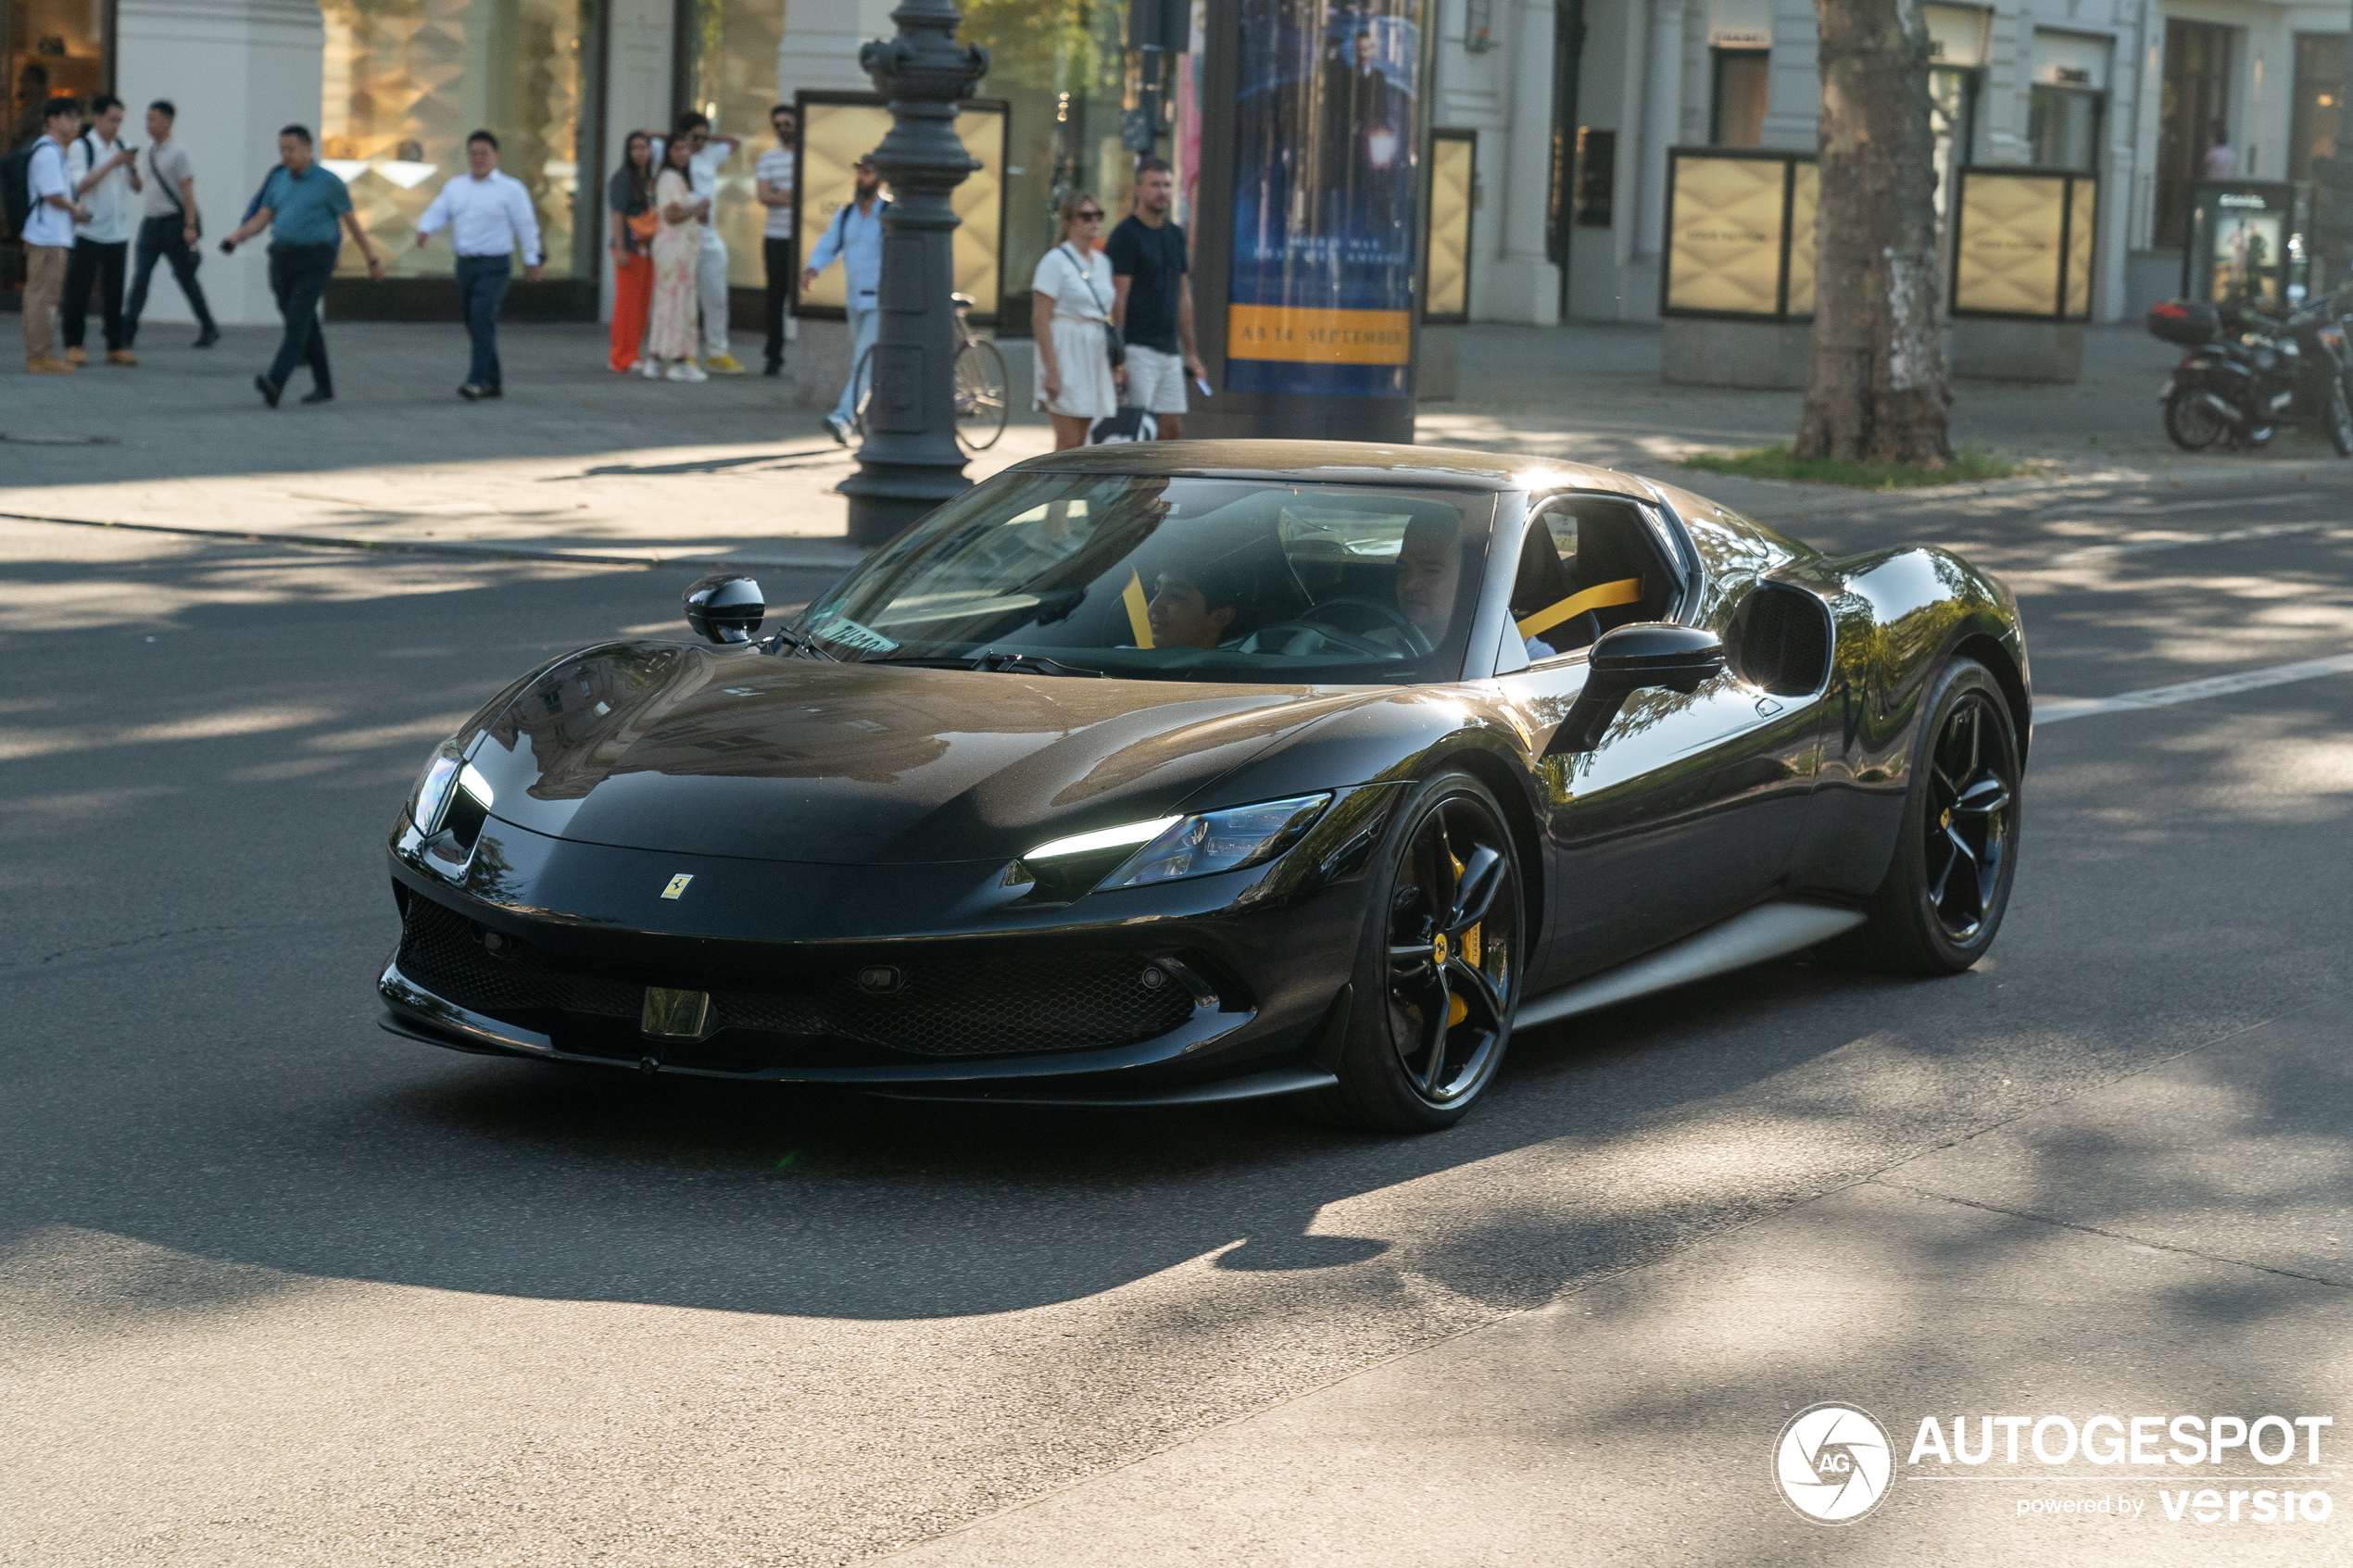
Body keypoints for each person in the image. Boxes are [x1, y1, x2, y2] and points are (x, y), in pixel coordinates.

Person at [219, 123, 384, 408]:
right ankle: (324, 385)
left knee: (297, 322)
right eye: (283, 149)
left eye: (292, 149)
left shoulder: (329, 182)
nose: (286, 155)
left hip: (315, 258)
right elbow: (263, 216)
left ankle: (275, 382)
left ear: (309, 149)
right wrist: (238, 236)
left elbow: (353, 224)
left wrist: (372, 259)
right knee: (303, 320)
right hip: (282, 258)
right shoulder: (279, 179)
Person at [413, 129, 544, 401]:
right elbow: (439, 210)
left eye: (484, 153)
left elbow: (526, 226)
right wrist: (425, 229)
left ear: (496, 157)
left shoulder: (511, 189)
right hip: (465, 265)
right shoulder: (456, 187)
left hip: (494, 265)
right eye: (474, 153)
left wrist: (532, 259)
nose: (479, 158)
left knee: (482, 317)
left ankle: (476, 380)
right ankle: (493, 381)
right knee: (475, 323)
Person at [1108, 157, 1205, 439]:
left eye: (1166, 185)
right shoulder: (1125, 235)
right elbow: (1119, 299)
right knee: (1135, 430)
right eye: (1154, 185)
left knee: (1171, 430)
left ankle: (1160, 484)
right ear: (1138, 189)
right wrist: (1119, 359)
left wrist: (1190, 352)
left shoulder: (1175, 235)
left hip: (1169, 352)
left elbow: (1183, 296)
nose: (1162, 191)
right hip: (1137, 349)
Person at [643, 112, 747, 374]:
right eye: (693, 138)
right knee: (679, 298)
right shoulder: (669, 166)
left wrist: (707, 137)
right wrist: (678, 139)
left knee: (716, 297)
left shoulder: (710, 154)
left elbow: (735, 142)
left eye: (703, 137)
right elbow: (643, 134)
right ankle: (680, 354)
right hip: (679, 238)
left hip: (706, 237)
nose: (698, 144)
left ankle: (717, 350)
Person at [801, 156, 889, 444]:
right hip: (855, 300)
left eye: (867, 173)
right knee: (869, 361)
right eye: (859, 172)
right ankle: (878, 416)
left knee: (862, 360)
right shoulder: (847, 213)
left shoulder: (889, 212)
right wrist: (813, 268)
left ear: (879, 179)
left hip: (881, 302)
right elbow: (829, 243)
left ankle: (843, 417)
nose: (861, 178)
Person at [1027, 189, 1118, 450]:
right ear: (1067, 222)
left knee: (1082, 441)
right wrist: (1052, 370)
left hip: (1094, 350)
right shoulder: (1054, 261)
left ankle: (1071, 491)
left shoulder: (1102, 262)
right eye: (1085, 216)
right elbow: (1040, 318)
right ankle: (1055, 491)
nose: (1094, 221)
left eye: (1098, 215)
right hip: (1065, 350)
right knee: (1067, 440)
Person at [124, 99, 218, 351]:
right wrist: (131, 170)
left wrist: (189, 225)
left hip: (173, 224)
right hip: (151, 223)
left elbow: (188, 192)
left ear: (168, 121)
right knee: (140, 277)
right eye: (147, 118)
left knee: (186, 277)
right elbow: (140, 188)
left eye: (153, 118)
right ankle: (127, 330)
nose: (148, 124)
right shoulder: (149, 151)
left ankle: (208, 325)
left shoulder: (179, 152)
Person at [62, 94, 140, 366]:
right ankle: (74, 344)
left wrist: (132, 169)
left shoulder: (123, 146)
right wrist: (112, 164)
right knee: (79, 291)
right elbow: (80, 185)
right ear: (96, 118)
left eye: (119, 121)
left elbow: (138, 187)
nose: (116, 126)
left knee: (115, 292)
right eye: (111, 120)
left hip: (118, 231)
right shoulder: (82, 147)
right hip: (89, 230)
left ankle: (115, 345)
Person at [20, 96, 87, 374]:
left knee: (45, 296)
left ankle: (42, 353)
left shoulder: (54, 150)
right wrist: (74, 208)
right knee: (41, 297)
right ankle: (39, 355)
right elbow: (52, 194)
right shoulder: (48, 152)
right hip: (46, 236)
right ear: (53, 119)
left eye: (77, 117)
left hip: (51, 234)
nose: (76, 123)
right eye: (70, 117)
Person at [647, 132, 708, 381]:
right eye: (677, 148)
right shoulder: (670, 178)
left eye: (685, 148)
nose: (683, 153)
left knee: (674, 301)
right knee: (674, 301)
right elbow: (671, 216)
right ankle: (675, 359)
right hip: (673, 249)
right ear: (669, 153)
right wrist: (698, 208)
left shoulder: (681, 179)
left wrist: (697, 212)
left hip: (682, 249)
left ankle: (661, 358)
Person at [606, 131, 656, 374]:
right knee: (627, 305)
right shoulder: (623, 177)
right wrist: (621, 247)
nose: (640, 152)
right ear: (628, 151)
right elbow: (617, 214)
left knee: (642, 304)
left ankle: (632, 352)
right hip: (629, 247)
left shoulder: (650, 178)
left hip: (648, 249)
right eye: (635, 147)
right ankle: (620, 356)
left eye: (644, 147)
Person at [756, 102, 797, 376]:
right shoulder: (768, 158)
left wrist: (780, 195)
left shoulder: (808, 154)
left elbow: (809, 194)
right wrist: (787, 196)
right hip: (775, 236)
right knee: (775, 296)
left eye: (787, 124)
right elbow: (763, 196)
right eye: (778, 125)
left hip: (801, 238)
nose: (782, 129)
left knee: (806, 295)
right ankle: (773, 355)